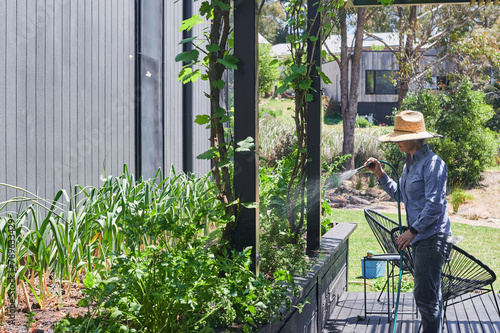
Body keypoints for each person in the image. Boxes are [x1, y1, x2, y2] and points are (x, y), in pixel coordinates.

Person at [365, 110, 452, 333]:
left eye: (399, 139)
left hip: (432, 238)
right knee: (431, 295)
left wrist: (412, 231)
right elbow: (403, 196)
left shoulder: (434, 164)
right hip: (421, 238)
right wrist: (381, 175)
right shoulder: (409, 164)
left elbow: (435, 205)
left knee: (424, 296)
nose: (396, 143)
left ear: (414, 138)